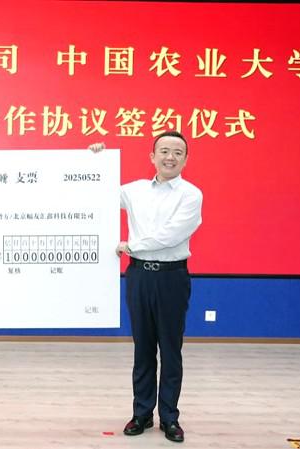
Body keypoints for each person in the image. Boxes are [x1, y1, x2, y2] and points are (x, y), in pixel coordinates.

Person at [90, 131, 202, 443]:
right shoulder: (134, 190)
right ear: (152, 157)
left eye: (177, 152)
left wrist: (131, 245)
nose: (170, 157)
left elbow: (171, 235)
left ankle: (169, 417)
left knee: (170, 349)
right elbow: (97, 192)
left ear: (185, 159)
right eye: (164, 151)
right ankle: (141, 413)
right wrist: (96, 160)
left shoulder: (191, 195)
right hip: (139, 276)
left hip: (171, 278)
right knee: (143, 349)